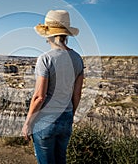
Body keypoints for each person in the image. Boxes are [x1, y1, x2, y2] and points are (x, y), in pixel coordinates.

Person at [22, 10, 84, 164]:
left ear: (48, 34)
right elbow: (77, 95)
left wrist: (27, 123)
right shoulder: (78, 59)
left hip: (46, 120)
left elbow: (39, 97)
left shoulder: (45, 59)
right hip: (66, 118)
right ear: (66, 35)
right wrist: (70, 115)